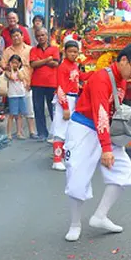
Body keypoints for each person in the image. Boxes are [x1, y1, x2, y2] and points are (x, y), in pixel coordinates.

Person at [64, 44, 131, 242]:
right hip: (83, 129)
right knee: (76, 178)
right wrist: (107, 149)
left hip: (103, 130)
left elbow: (110, 113)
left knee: (124, 173)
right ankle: (74, 224)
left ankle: (100, 216)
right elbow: (100, 113)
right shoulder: (101, 78)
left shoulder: (122, 79)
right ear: (124, 60)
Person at [51, 41, 87, 171]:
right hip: (65, 99)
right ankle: (56, 159)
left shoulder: (74, 65)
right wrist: (65, 106)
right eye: (70, 51)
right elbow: (60, 88)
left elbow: (80, 77)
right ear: (65, 52)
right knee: (60, 129)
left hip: (73, 99)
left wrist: (93, 73)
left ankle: (64, 157)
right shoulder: (62, 67)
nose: (73, 54)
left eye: (75, 52)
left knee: (69, 130)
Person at [2, 28, 38, 139]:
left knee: (29, 109)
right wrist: (10, 73)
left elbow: (34, 65)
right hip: (14, 85)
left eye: (18, 35)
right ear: (11, 38)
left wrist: (30, 82)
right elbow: (3, 66)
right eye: (13, 36)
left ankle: (32, 131)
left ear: (22, 36)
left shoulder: (30, 49)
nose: (16, 38)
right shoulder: (7, 51)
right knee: (14, 112)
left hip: (28, 83)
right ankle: (17, 132)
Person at [30, 28, 60, 141]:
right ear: (36, 37)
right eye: (38, 36)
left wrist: (40, 61)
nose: (40, 37)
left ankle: (55, 132)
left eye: (43, 35)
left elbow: (55, 63)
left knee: (54, 110)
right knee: (38, 109)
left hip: (52, 83)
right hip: (37, 83)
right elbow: (33, 64)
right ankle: (42, 133)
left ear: (47, 36)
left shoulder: (55, 48)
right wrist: (47, 59)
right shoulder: (33, 50)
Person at [5, 55, 31, 140]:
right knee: (12, 114)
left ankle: (19, 132)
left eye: (16, 63)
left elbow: (21, 77)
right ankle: (8, 133)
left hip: (21, 94)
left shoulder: (22, 70)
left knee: (20, 115)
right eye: (13, 62)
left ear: (20, 63)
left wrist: (18, 69)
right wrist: (12, 68)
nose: (15, 64)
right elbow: (12, 77)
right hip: (13, 95)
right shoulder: (7, 72)